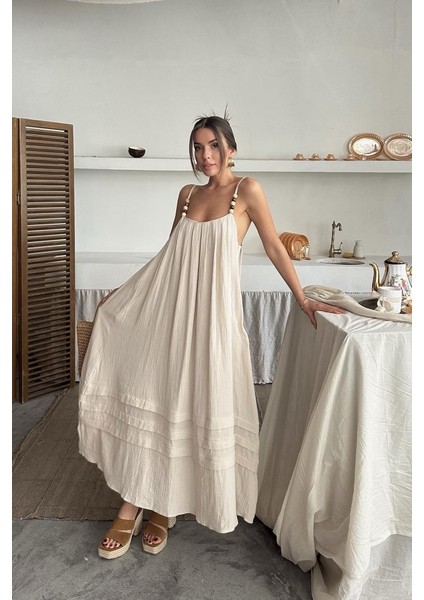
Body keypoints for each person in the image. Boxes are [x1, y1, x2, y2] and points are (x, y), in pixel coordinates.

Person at [78, 113, 345, 560]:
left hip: (214, 321)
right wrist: (123, 293)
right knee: (161, 398)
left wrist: (302, 298)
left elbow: (274, 244)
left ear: (231, 148)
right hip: (171, 315)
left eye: (214, 146)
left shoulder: (247, 191)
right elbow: (168, 257)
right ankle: (134, 502)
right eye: (199, 148)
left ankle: (163, 506)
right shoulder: (187, 195)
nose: (206, 156)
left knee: (194, 405)